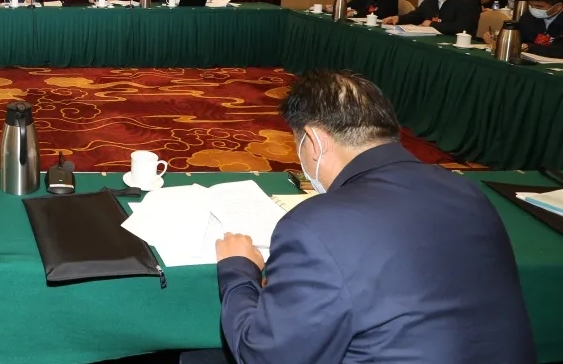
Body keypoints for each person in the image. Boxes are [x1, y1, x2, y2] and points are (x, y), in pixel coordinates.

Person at [215, 70, 535, 364]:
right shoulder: (466, 190)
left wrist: (238, 270)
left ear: (314, 141)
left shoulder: (314, 228)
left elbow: (264, 357)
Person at [484, 0, 563, 58]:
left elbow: (559, 50)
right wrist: (498, 38)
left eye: (539, 7)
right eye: (531, 5)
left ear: (558, 7)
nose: (533, 9)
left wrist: (529, 48)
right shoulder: (528, 17)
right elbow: (519, 38)